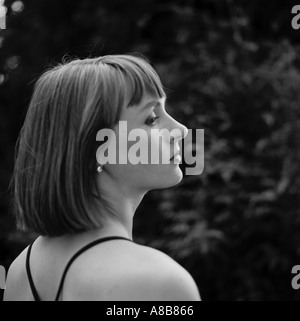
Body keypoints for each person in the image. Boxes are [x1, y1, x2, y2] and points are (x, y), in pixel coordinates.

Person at [4, 54, 201, 301]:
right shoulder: (160, 282)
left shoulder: (21, 271)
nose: (180, 130)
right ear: (95, 148)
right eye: (151, 118)